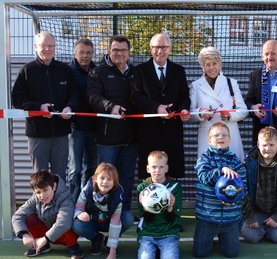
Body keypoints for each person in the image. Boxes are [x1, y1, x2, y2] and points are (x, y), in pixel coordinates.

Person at [11, 31, 79, 180]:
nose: (47, 49)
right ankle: (40, 204)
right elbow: (16, 99)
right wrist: (39, 107)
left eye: (51, 46)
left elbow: (75, 95)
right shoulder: (27, 70)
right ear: (36, 46)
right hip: (37, 133)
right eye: (44, 46)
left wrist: (70, 108)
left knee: (59, 176)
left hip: (61, 132)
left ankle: (59, 204)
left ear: (55, 48)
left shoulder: (65, 70)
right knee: (40, 177)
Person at [87, 34, 138, 211]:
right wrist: (111, 107)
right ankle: (101, 211)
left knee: (127, 177)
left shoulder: (135, 72)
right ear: (109, 51)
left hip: (131, 137)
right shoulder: (98, 72)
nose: (119, 54)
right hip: (107, 139)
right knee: (104, 177)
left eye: (123, 50)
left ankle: (123, 211)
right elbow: (93, 97)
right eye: (115, 50)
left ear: (129, 52)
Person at [131, 33, 190, 179]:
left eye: (164, 47)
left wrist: (184, 110)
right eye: (157, 47)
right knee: (149, 173)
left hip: (173, 131)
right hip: (149, 132)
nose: (160, 51)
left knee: (172, 171)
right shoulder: (140, 71)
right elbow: (136, 97)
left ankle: (172, 201)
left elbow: (184, 96)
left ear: (169, 49)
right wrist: (157, 108)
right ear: (151, 49)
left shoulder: (179, 71)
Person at [193, 122, 247, 258]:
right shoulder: (203, 159)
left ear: (229, 139)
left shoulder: (236, 161)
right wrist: (221, 171)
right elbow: (204, 177)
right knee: (200, 253)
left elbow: (243, 185)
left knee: (232, 253)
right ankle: (208, 239)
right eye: (216, 135)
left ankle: (225, 238)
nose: (220, 137)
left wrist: (234, 199)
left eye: (224, 135)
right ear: (209, 140)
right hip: (207, 216)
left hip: (230, 217)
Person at [189, 46, 248, 161]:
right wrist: (200, 113)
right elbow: (189, 114)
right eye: (207, 64)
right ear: (203, 67)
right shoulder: (196, 85)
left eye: (214, 63)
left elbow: (244, 110)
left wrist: (230, 116)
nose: (211, 68)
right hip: (208, 137)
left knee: (233, 174)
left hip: (230, 134)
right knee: (209, 173)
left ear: (220, 64)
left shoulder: (232, 83)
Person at [241, 126, 277, 244]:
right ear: (258, 144)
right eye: (264, 145)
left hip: (276, 211)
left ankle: (270, 228)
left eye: (271, 145)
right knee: (250, 237)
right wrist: (250, 217)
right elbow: (242, 191)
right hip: (255, 211)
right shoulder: (248, 162)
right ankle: (263, 228)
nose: (268, 148)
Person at [12, 170, 84, 258]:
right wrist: (24, 234)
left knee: (66, 223)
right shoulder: (35, 199)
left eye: (45, 190)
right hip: (47, 234)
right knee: (29, 218)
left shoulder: (65, 198)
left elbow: (64, 223)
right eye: (38, 192)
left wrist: (45, 239)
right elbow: (17, 216)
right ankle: (44, 246)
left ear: (53, 187)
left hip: (65, 235)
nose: (42, 196)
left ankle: (73, 246)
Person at [72, 163, 134, 258]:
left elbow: (115, 222)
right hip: (92, 221)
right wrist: (80, 213)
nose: (105, 182)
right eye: (102, 178)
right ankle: (96, 239)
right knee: (76, 224)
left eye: (109, 179)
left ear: (114, 182)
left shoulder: (117, 195)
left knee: (128, 217)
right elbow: (78, 207)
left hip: (109, 222)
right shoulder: (87, 190)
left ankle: (108, 242)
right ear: (95, 178)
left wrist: (112, 251)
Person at [67, 38, 98, 202]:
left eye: (89, 53)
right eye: (82, 52)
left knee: (92, 168)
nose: (85, 56)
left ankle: (86, 202)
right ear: (75, 53)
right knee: (75, 169)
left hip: (94, 128)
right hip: (75, 128)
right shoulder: (68, 71)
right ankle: (71, 205)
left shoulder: (97, 71)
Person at [137, 151, 182, 259]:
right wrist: (146, 207)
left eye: (161, 167)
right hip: (148, 233)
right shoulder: (142, 188)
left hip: (168, 233)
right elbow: (146, 219)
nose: (157, 170)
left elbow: (174, 219)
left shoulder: (175, 187)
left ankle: (165, 249)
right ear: (148, 169)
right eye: (154, 167)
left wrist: (170, 207)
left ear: (166, 168)